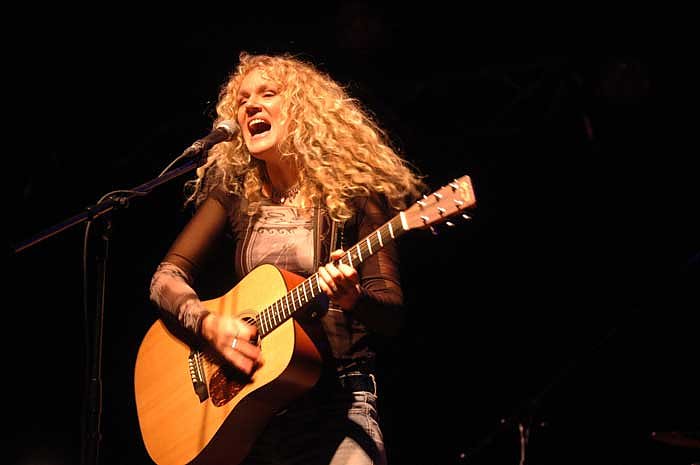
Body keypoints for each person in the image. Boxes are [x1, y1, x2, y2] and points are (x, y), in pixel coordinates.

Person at [148, 51, 426, 465]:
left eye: (267, 94)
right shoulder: (235, 195)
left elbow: (392, 315)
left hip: (340, 406)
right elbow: (166, 277)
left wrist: (352, 297)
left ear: (302, 110)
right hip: (260, 413)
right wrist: (209, 326)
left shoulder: (357, 193)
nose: (250, 106)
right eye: (242, 100)